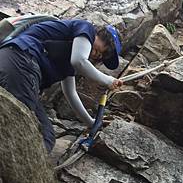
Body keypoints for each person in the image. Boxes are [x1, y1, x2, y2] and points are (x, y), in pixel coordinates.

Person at [0, 18, 123, 152]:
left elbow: (70, 93)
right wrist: (108, 80)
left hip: (21, 73)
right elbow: (79, 61)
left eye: (101, 55)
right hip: (21, 59)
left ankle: (29, 168)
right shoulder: (86, 28)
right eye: (99, 49)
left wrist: (91, 123)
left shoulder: (68, 64)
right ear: (98, 35)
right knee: (21, 122)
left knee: (46, 135)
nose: (96, 55)